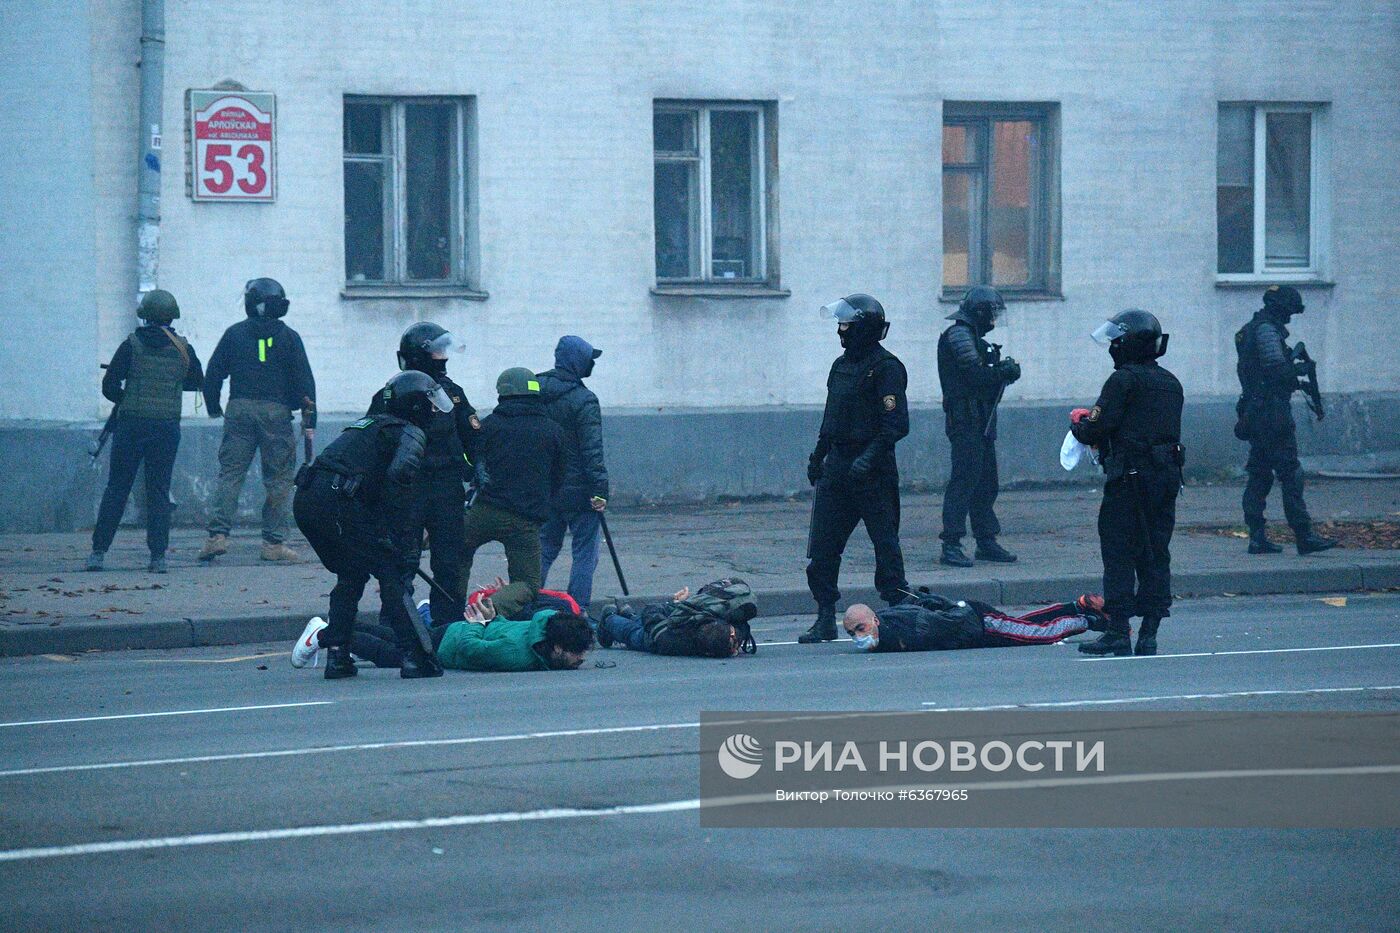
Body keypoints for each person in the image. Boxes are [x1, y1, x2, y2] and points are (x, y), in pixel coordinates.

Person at [292, 371, 451, 680]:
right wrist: (402, 541)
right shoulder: (408, 432)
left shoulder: (370, 425)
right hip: (337, 502)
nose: (433, 411)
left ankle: (337, 656)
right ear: (415, 405)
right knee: (392, 572)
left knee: (351, 573)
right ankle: (417, 658)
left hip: (310, 500)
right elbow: (398, 486)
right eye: (430, 404)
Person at [1070, 309, 1184, 657]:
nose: (1112, 348)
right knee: (1155, 552)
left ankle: (1118, 631)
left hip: (1129, 481)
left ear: (1129, 343)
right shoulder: (1170, 383)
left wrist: (1079, 424)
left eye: (1116, 341)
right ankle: (1149, 634)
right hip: (1165, 480)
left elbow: (1097, 427)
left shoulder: (1123, 381)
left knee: (1119, 552)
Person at [800, 294, 910, 643]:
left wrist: (869, 457)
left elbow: (896, 424)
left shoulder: (886, 367)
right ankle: (823, 616)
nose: (840, 331)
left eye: (846, 325)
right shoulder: (840, 366)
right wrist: (818, 455)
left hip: (873, 470)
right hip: (838, 467)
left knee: (885, 544)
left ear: (864, 328)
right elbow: (830, 417)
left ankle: (896, 611)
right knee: (822, 549)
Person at [199, 278, 317, 564]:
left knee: (230, 474)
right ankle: (273, 544)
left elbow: (213, 373)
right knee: (279, 479)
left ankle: (217, 537)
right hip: (276, 414)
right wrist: (310, 420)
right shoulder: (290, 337)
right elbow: (305, 383)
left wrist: (214, 407)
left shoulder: (234, 334)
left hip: (239, 410)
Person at [86, 290, 204, 573]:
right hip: (166, 428)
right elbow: (197, 381)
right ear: (171, 315)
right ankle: (158, 558)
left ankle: (98, 553)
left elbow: (110, 386)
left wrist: (128, 396)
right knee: (159, 491)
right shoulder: (182, 348)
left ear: (145, 316)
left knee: (117, 488)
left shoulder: (131, 344)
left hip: (131, 426)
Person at [369, 322, 480, 623]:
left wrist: (476, 469)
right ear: (420, 356)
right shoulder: (392, 394)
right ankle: (395, 626)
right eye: (438, 351)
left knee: (450, 562)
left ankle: (448, 628)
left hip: (446, 489)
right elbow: (373, 442)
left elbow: (473, 438)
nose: (444, 357)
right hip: (407, 490)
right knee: (402, 561)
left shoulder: (452, 394)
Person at [1234, 285, 1337, 556]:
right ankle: (1304, 536)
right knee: (1291, 473)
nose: (1291, 317)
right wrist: (1300, 372)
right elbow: (1277, 371)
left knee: (1259, 474)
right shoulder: (1266, 331)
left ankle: (1257, 537)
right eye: (1290, 311)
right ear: (1281, 309)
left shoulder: (1251, 329)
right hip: (1271, 412)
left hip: (1255, 411)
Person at [460, 368, 566, 620]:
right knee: (527, 585)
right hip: (525, 519)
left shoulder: (488, 427)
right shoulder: (553, 430)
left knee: (456, 559)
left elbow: (469, 466)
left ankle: (451, 615)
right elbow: (560, 477)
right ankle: (486, 609)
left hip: (482, 511)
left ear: (503, 393)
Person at [937, 285, 1021, 567]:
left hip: (981, 422)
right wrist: (1002, 372)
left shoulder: (973, 337)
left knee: (986, 482)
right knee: (964, 481)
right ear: (980, 312)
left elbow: (983, 375)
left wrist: (1001, 371)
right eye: (991, 313)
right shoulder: (958, 335)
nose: (994, 319)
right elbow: (973, 375)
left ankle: (986, 541)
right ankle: (951, 543)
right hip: (965, 421)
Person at [537, 335, 610, 609]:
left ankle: (527, 603)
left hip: (545, 487)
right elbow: (592, 451)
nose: (591, 364)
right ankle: (576, 611)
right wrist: (600, 491)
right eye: (589, 359)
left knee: (543, 550)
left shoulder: (536, 391)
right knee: (585, 553)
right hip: (579, 492)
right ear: (578, 362)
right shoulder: (584, 400)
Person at [842, 592, 1102, 652]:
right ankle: (1075, 606)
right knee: (1024, 626)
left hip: (980, 623)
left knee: (1039, 635)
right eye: (852, 633)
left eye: (860, 628)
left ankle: (1088, 621)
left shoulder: (909, 627)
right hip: (975, 624)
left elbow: (949, 624)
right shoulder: (888, 628)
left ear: (874, 620)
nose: (858, 636)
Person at [596, 577, 759, 658]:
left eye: (733, 644)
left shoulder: (674, 643)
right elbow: (742, 626)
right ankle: (622, 616)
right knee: (636, 630)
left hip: (657, 635)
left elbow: (653, 618)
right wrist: (680, 604)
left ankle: (609, 618)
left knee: (634, 634)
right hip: (664, 626)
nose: (736, 639)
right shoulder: (728, 627)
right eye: (734, 636)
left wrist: (674, 604)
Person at [434, 598, 594, 672]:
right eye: (577, 652)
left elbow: (506, 628)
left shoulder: (545, 625)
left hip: (458, 631)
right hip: (444, 645)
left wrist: (491, 619)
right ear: (558, 648)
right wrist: (477, 623)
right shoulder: (514, 652)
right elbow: (470, 648)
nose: (582, 657)